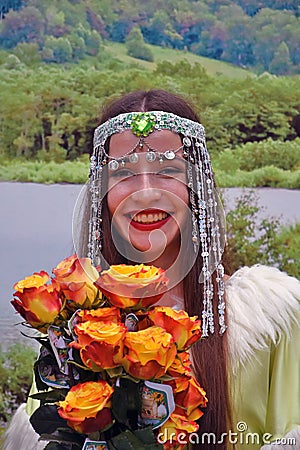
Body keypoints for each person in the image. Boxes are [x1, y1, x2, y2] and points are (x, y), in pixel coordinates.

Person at [3, 89, 300, 450]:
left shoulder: (271, 319)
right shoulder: (74, 326)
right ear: (102, 190)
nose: (144, 193)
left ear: (196, 185)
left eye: (168, 170)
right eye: (123, 172)